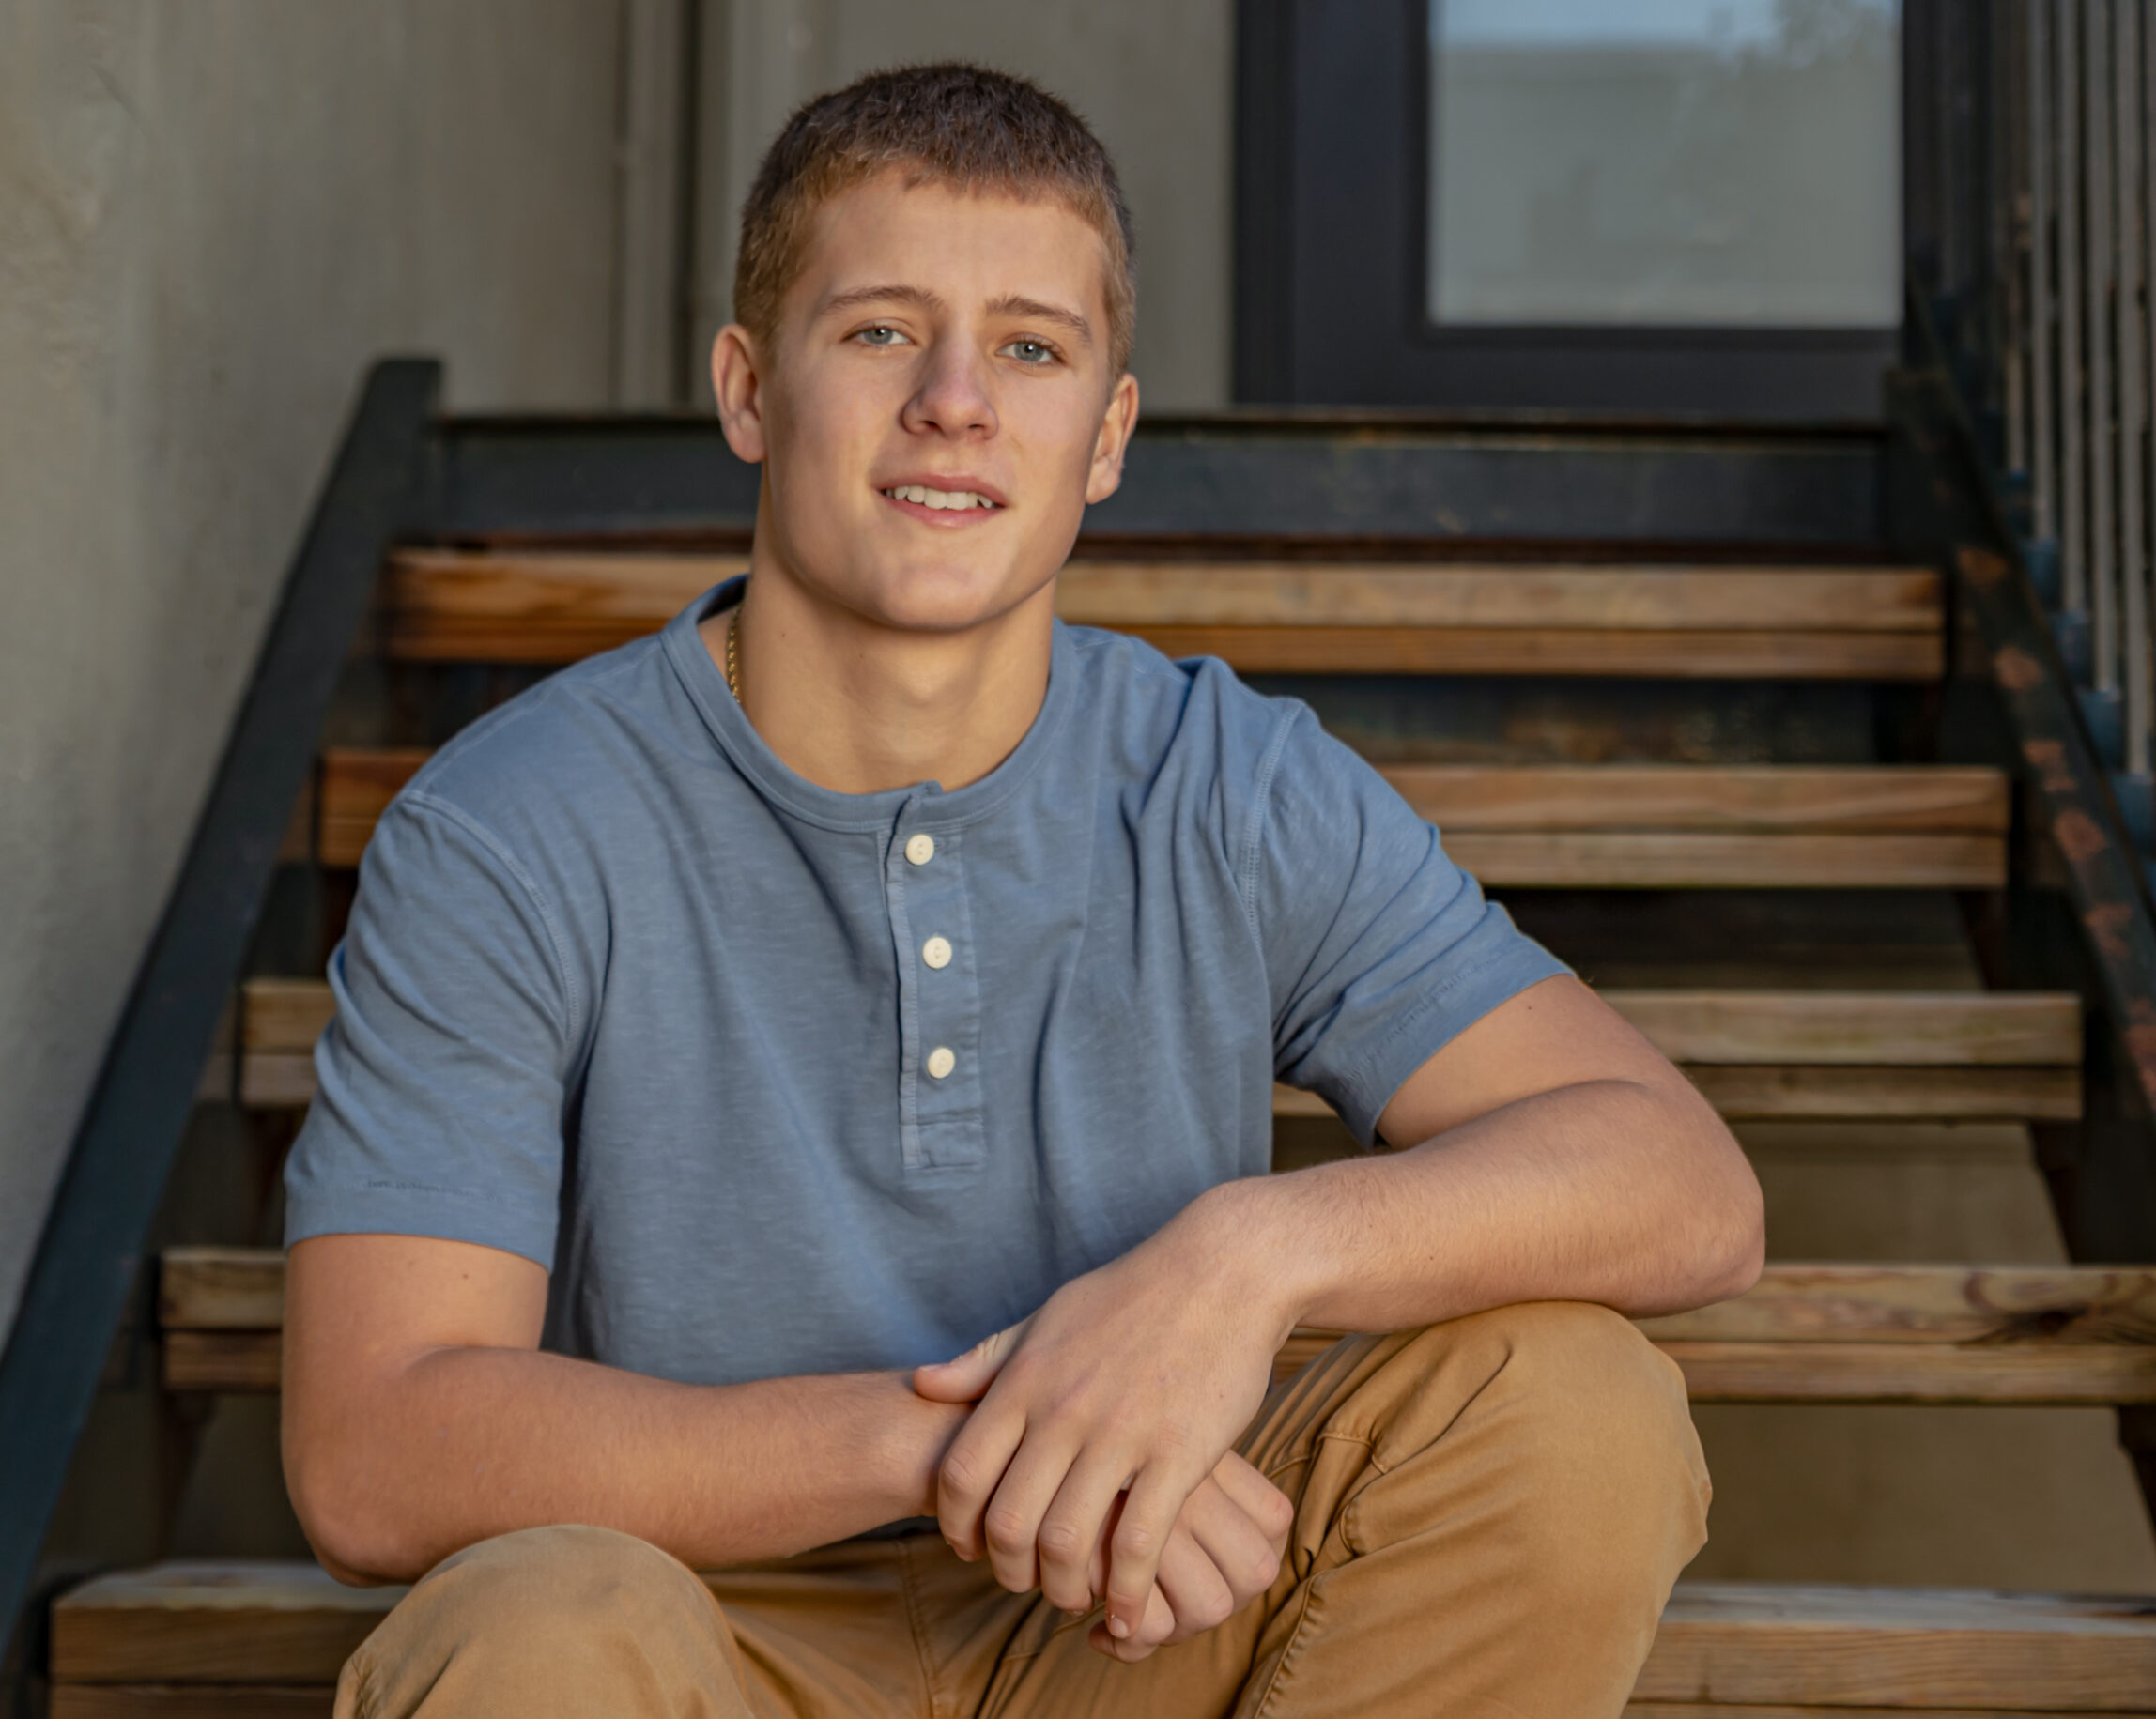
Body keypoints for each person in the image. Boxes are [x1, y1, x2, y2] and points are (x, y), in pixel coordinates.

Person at [280, 62, 1763, 1719]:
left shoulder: (1226, 780)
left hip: (1142, 1614)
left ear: (1106, 436)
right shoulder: (511, 823)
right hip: (703, 1623)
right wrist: (970, 1443)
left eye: (1033, 350)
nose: (957, 403)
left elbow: (1683, 1187)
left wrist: (1243, 1261)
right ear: (750, 390)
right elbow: (374, 1452)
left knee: (1572, 1406)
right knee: (530, 1628)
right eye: (881, 331)